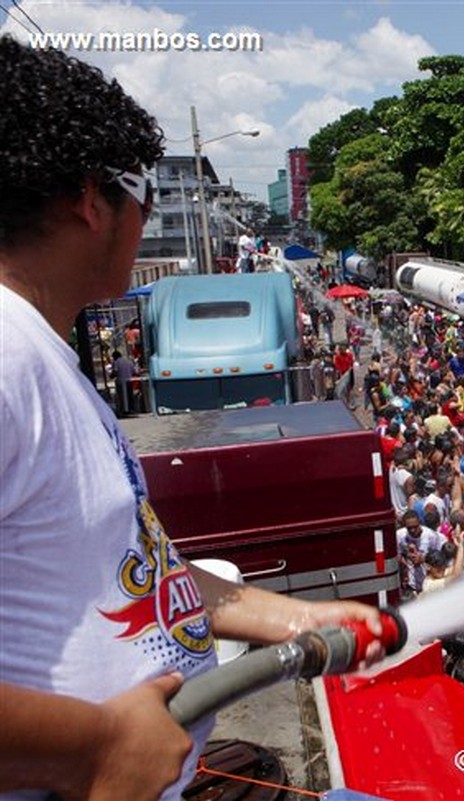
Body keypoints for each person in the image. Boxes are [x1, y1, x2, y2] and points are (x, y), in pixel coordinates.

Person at [0, 36, 385, 801]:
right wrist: (96, 748)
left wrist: (290, 618)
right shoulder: (7, 357)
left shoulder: (43, 358)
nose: (146, 217)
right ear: (88, 198)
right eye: (144, 192)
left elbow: (125, 573)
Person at [111, 348, 138, 417]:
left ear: (115, 357)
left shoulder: (116, 362)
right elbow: (134, 372)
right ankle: (131, 409)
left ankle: (124, 410)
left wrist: (111, 376)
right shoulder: (128, 361)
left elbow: (115, 372)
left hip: (120, 381)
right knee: (129, 395)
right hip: (129, 381)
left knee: (122, 397)